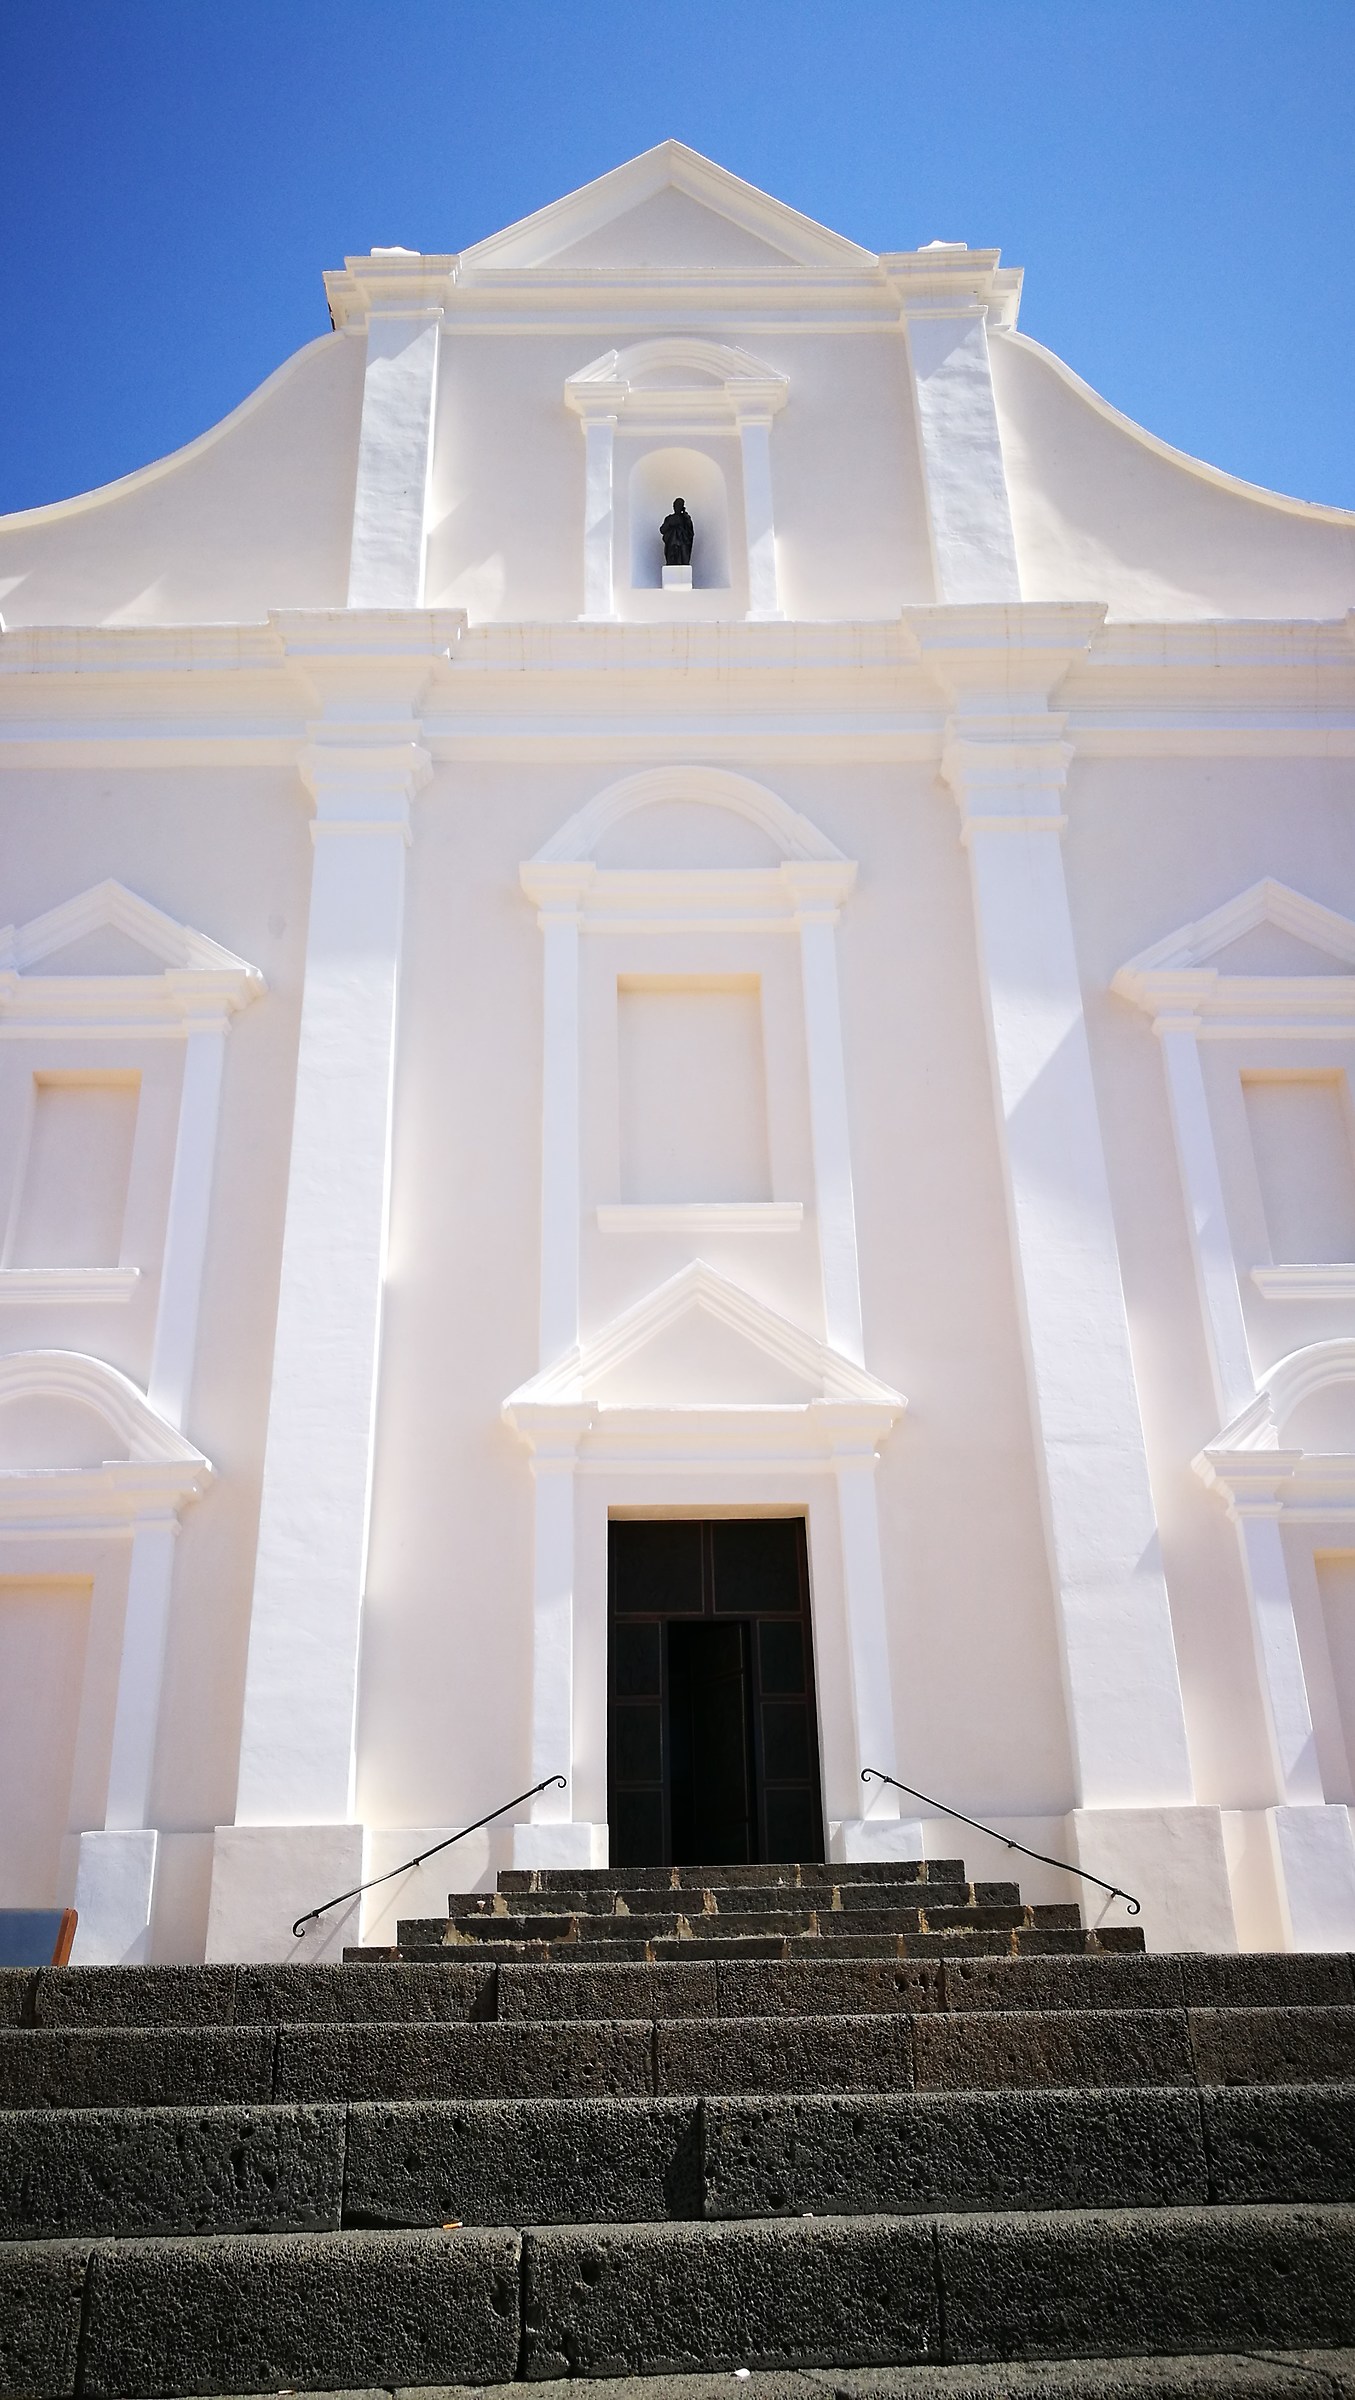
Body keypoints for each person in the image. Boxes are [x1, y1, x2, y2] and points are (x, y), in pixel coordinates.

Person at [660, 497, 694, 567]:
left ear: (682, 507)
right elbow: (662, 530)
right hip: (672, 545)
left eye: (679, 505)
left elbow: (690, 532)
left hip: (683, 544)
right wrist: (669, 524)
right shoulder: (669, 518)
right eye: (675, 505)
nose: (677, 507)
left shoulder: (685, 518)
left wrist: (686, 517)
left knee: (684, 562)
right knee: (671, 562)